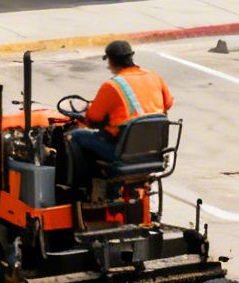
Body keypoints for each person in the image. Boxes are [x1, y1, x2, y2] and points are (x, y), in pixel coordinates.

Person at [65, 40, 172, 186]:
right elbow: (168, 103)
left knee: (74, 136)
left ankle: (79, 187)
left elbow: (93, 119)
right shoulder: (154, 76)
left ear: (110, 60)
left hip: (122, 152)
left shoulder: (112, 86)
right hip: (152, 153)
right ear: (131, 57)